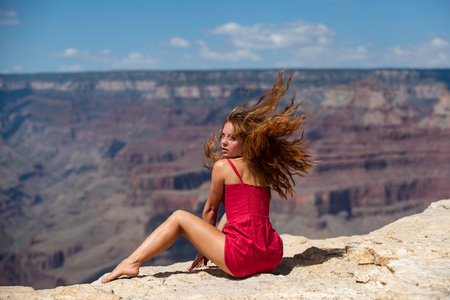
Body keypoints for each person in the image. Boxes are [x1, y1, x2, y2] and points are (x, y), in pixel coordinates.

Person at [101, 71, 314, 283]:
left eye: (232, 138)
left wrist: (205, 249)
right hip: (270, 255)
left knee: (178, 217)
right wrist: (213, 241)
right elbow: (235, 214)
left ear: (248, 142)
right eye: (223, 135)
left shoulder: (223, 166)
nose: (223, 142)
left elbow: (211, 210)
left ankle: (132, 262)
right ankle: (132, 262)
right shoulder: (263, 168)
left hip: (242, 259)